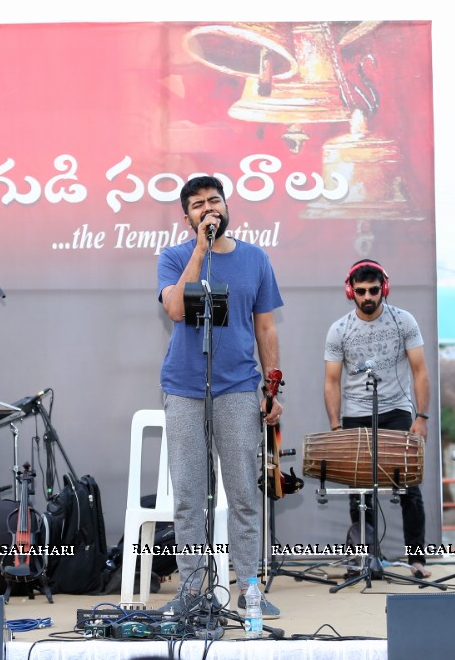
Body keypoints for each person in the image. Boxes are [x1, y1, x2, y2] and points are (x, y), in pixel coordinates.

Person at [157, 175, 284, 618]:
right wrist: (200, 248)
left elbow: (266, 329)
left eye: (215, 201)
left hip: (237, 389)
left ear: (228, 205)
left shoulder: (255, 259)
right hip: (184, 389)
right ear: (186, 217)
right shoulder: (174, 258)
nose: (208, 209)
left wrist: (271, 390)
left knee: (245, 493)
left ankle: (250, 588)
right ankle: (193, 590)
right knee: (190, 495)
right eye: (198, 205)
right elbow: (175, 309)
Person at [323, 259, 431, 578]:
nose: (367, 297)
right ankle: (365, 558)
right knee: (359, 491)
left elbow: (420, 370)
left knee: (410, 485)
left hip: (397, 410)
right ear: (350, 292)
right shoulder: (339, 329)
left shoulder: (404, 321)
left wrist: (421, 415)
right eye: (360, 291)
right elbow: (331, 381)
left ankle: (417, 559)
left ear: (384, 288)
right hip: (355, 414)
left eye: (373, 290)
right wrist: (335, 427)